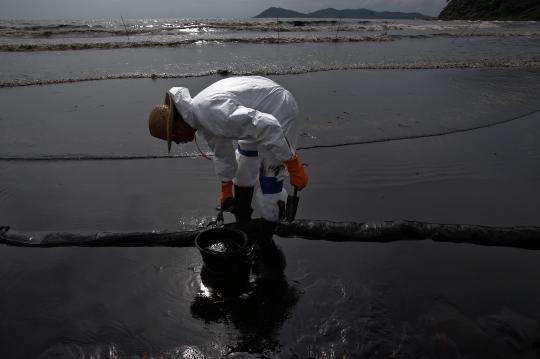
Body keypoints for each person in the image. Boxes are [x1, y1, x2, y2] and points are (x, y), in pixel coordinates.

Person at [148, 76, 308, 223]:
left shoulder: (213, 113)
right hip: (256, 111)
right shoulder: (200, 117)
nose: (177, 142)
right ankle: (242, 209)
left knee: (271, 176)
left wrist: (293, 164)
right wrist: (226, 188)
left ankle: (271, 226)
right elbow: (221, 151)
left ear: (178, 126)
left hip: (278, 109)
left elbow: (268, 125)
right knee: (245, 162)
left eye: (174, 137)